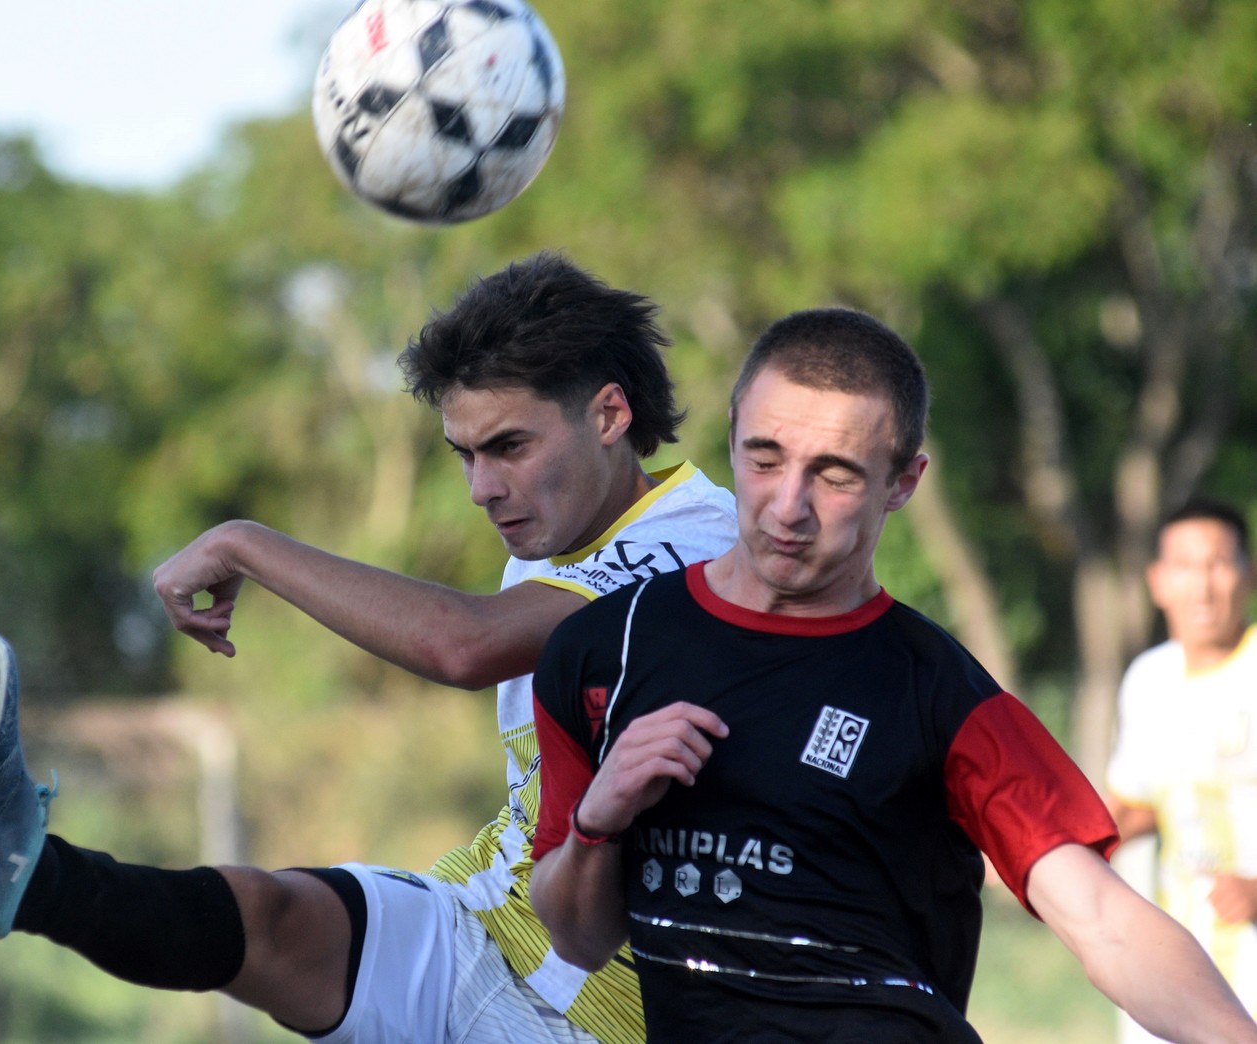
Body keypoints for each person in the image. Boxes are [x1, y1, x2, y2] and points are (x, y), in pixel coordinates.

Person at [0, 252, 740, 1044]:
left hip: (603, 1010)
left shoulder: (697, 545)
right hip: (488, 920)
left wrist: (244, 544)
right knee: (270, 918)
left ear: (608, 414)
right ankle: (21, 871)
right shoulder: (556, 532)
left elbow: (463, 644)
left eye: (510, 447)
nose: (483, 488)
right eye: (464, 454)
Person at [526, 307, 1257, 1043]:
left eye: (833, 475)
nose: (788, 507)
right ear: (730, 433)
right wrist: (600, 817)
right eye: (764, 458)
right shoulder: (600, 650)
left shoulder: (939, 691)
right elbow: (578, 940)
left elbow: (1102, 920)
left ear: (902, 482)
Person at [1105, 497, 1257, 1041]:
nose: (1203, 586)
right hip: (1176, 974)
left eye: (1218, 564)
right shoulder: (1148, 680)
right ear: (1158, 582)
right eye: (1186, 567)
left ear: (1249, 573)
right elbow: (1134, 807)